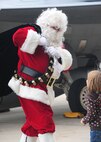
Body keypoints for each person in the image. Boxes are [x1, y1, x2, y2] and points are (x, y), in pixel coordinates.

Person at [8, 8, 73, 142]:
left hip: (44, 90)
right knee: (45, 122)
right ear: (46, 24)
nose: (56, 32)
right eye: (54, 28)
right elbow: (17, 36)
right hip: (29, 88)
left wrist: (59, 54)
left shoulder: (55, 47)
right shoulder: (32, 34)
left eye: (59, 29)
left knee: (32, 125)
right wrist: (39, 40)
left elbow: (67, 65)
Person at [81, 70, 101, 142]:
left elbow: (92, 113)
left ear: (91, 83)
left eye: (88, 79)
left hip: (96, 130)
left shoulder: (90, 97)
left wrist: (84, 120)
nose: (86, 80)